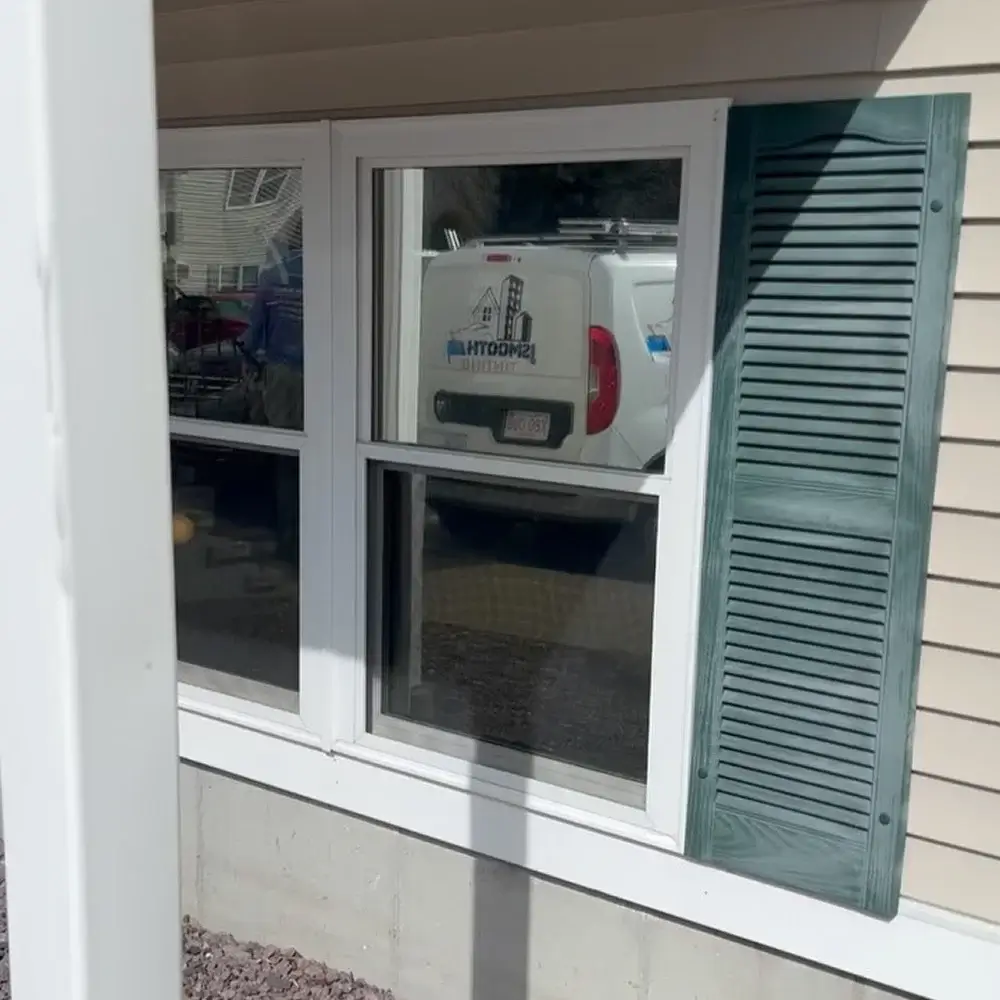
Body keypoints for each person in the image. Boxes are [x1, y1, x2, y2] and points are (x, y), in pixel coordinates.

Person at [241, 211, 304, 430]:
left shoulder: (274, 275)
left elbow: (256, 327)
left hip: (283, 370)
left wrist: (248, 359)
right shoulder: (332, 274)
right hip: (325, 370)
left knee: (284, 435)